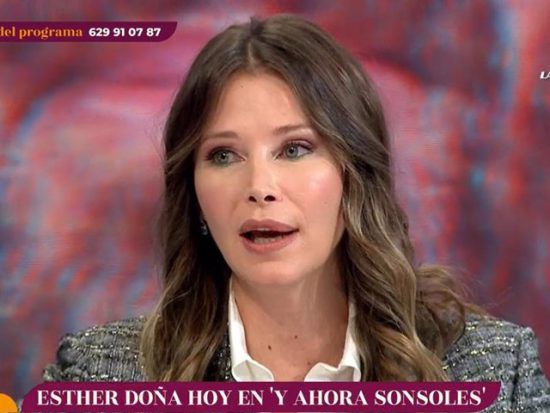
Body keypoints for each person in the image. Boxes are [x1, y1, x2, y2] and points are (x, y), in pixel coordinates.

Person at [42, 14, 550, 411]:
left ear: (354, 174)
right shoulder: (97, 378)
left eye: (295, 149)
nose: (259, 188)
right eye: (224, 155)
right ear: (193, 195)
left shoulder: (492, 373)